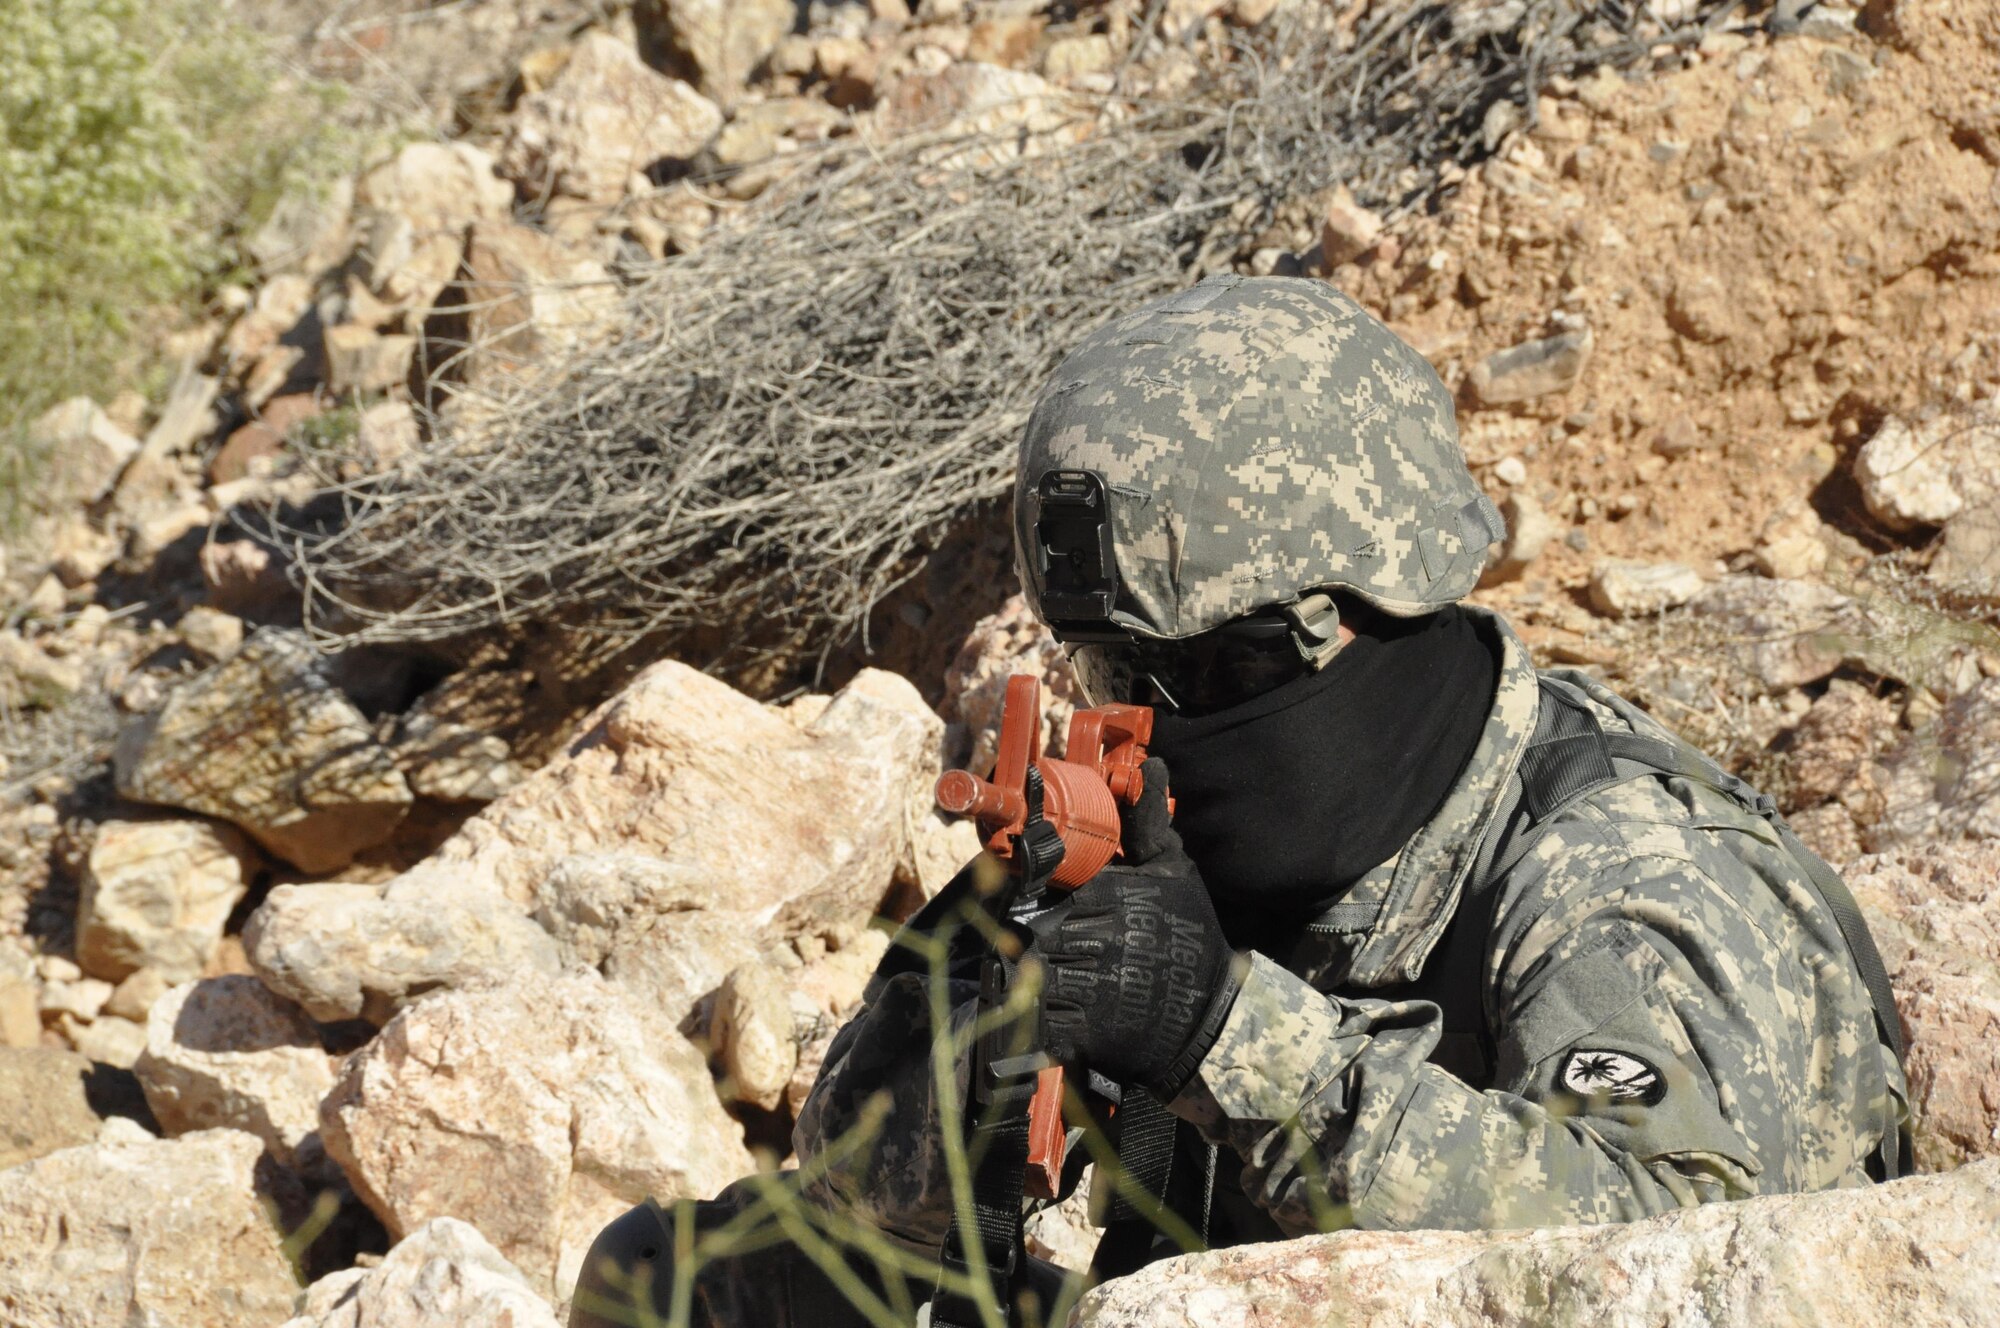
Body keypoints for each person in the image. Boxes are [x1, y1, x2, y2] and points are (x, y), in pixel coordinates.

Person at [569, 275, 1908, 1328]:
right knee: (669, 1286)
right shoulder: (1161, 842)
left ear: (1375, 612)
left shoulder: (1630, 875)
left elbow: (1671, 1269)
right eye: (1108, 667)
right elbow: (856, 1238)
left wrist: (1224, 1027)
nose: (1154, 725)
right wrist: (950, 1074)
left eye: (1214, 668)